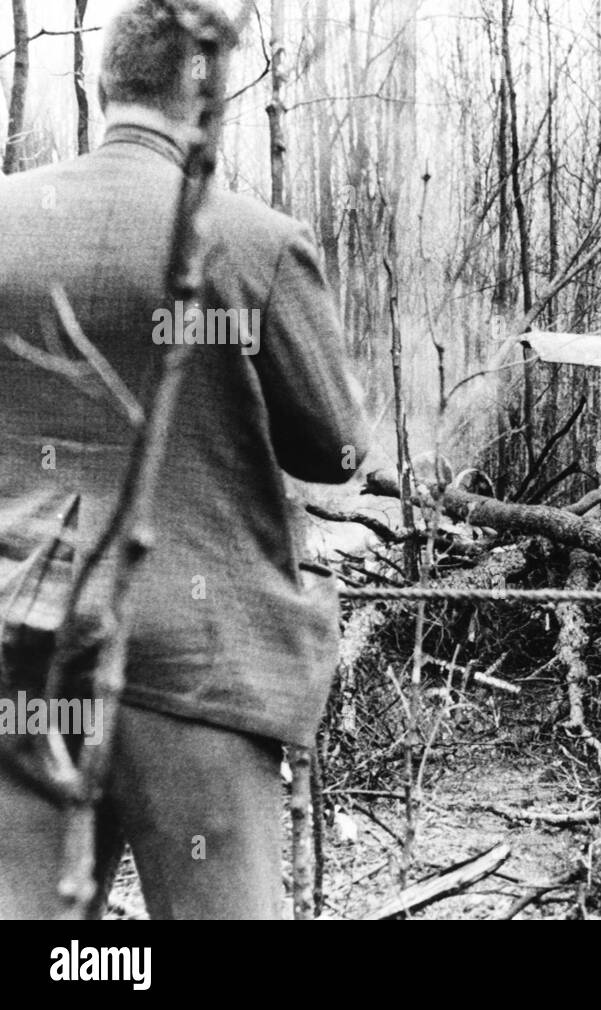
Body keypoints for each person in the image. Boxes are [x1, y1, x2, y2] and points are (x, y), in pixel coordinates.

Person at [0, 0, 368, 919]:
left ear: (100, 88)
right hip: (201, 674)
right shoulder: (251, 243)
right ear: (207, 105)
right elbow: (338, 449)